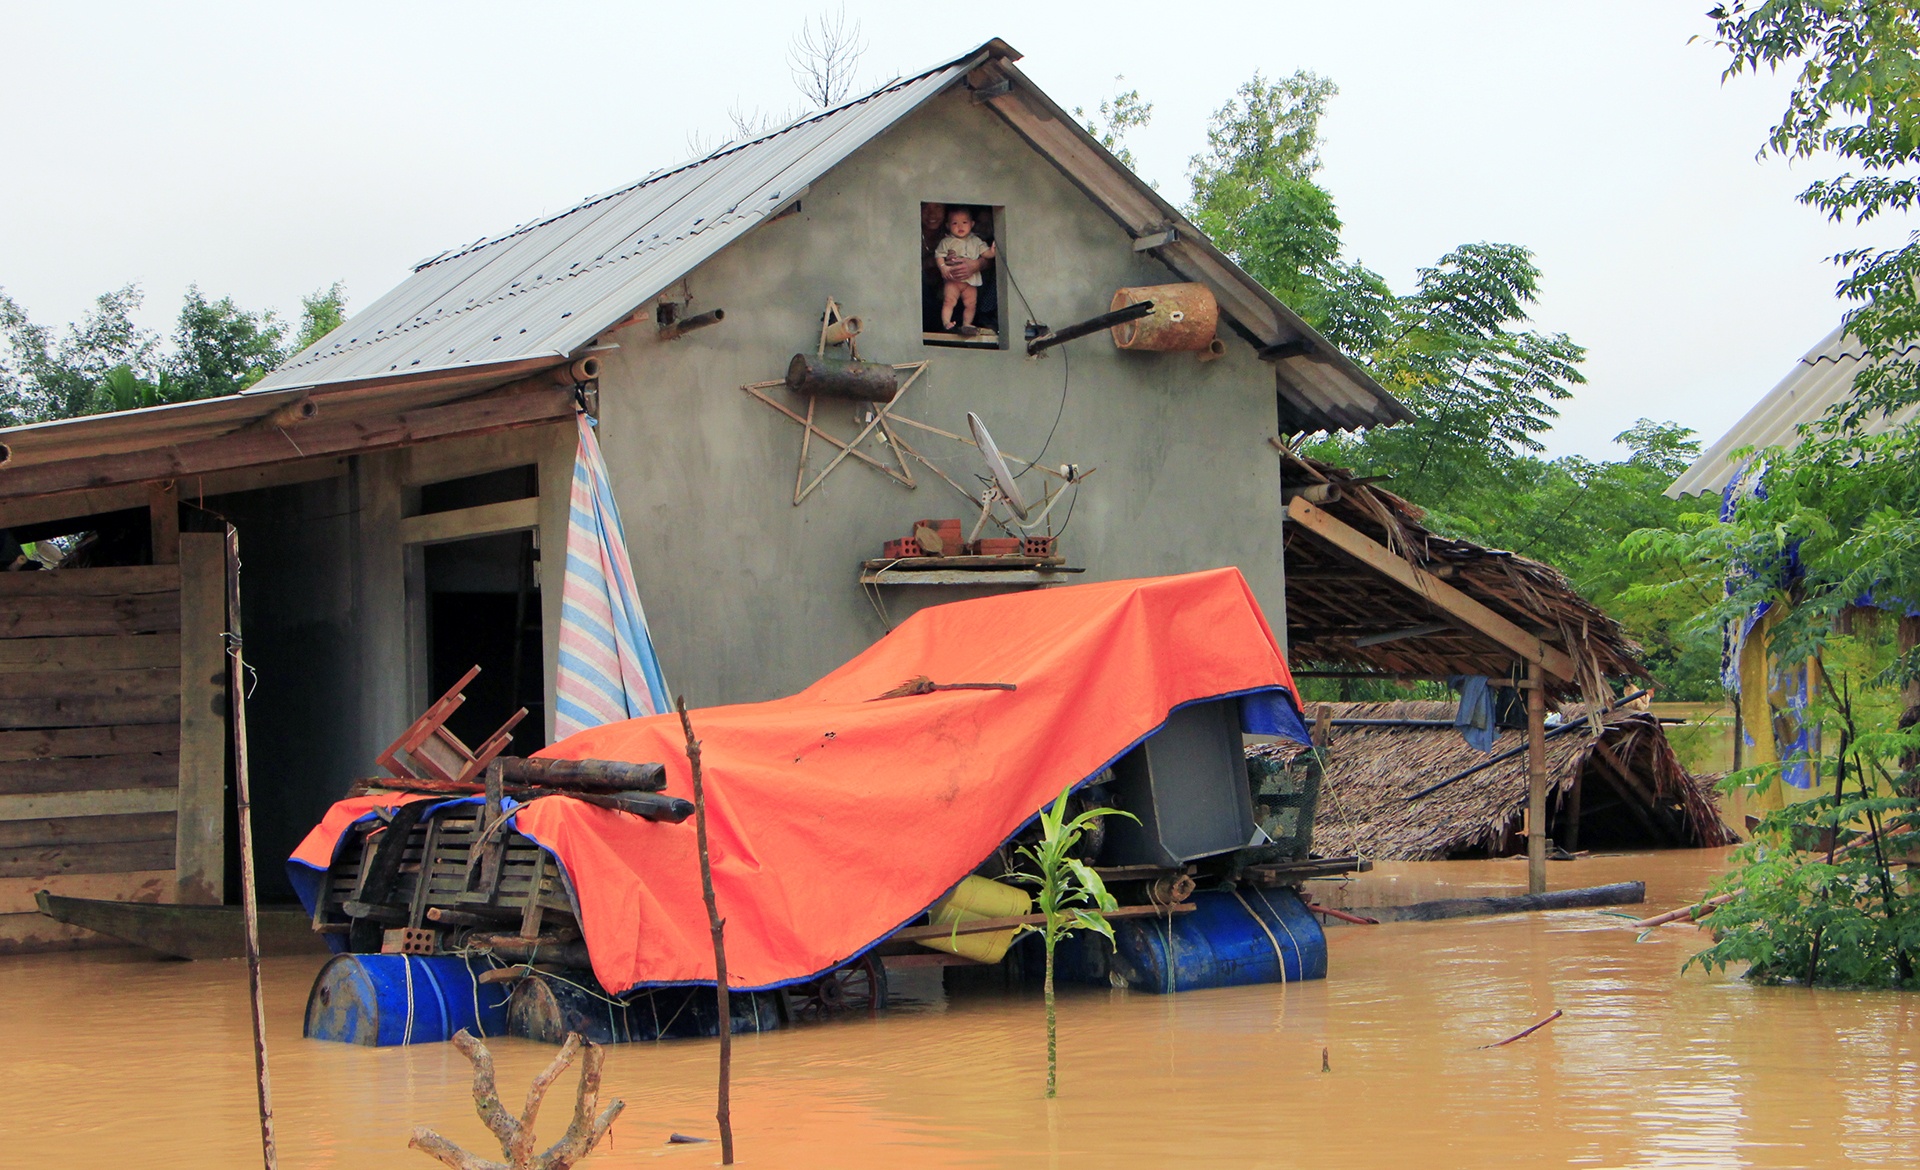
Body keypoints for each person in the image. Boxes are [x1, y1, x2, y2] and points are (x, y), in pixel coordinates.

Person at [934, 207, 996, 336]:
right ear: (948, 225)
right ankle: (946, 323)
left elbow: (986, 254)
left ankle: (967, 324)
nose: (960, 226)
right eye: (955, 223)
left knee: (971, 304)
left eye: (964, 222)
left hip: (971, 281)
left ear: (972, 224)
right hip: (953, 279)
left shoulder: (977, 241)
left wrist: (993, 251)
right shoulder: (946, 241)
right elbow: (938, 255)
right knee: (949, 301)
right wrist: (943, 267)